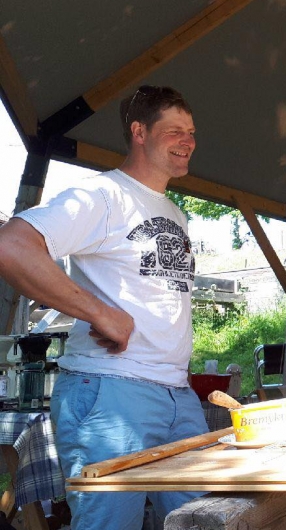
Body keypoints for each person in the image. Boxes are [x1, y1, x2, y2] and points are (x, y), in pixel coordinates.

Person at [0, 85, 208, 529]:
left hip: (177, 396)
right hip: (111, 393)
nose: (187, 141)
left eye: (190, 132)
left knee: (204, 519)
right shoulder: (104, 195)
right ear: (139, 131)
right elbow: (13, 246)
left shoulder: (175, 212)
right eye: (174, 131)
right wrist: (98, 312)